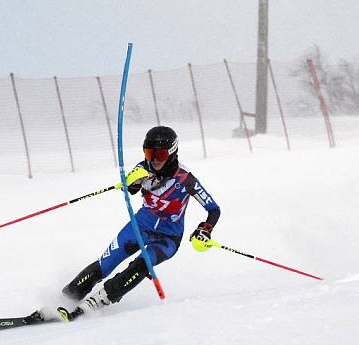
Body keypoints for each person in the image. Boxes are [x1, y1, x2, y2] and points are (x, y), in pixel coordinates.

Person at [33, 126, 221, 322]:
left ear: (172, 153)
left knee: (142, 264)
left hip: (168, 238)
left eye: (161, 153)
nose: (154, 159)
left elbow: (214, 209)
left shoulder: (185, 179)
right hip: (140, 226)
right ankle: (63, 299)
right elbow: (130, 187)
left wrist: (204, 229)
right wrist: (131, 182)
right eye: (149, 152)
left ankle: (97, 301)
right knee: (106, 263)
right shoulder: (143, 168)